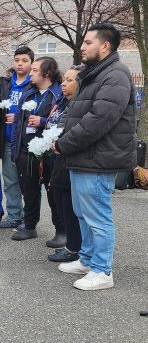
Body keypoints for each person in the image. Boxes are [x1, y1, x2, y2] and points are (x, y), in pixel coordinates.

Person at [54, 23, 136, 291]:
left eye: (88, 42)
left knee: (98, 216)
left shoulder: (116, 75)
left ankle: (103, 270)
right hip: (83, 157)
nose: (82, 46)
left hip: (98, 159)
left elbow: (99, 120)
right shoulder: (94, 73)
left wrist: (64, 143)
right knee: (82, 213)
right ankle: (87, 259)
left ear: (105, 46)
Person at [10, 57, 63, 242]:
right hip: (26, 152)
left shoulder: (59, 94)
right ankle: (29, 225)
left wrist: (43, 122)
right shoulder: (28, 93)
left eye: (34, 70)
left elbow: (64, 121)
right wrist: (15, 150)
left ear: (46, 73)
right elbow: (18, 122)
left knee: (54, 193)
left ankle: (61, 230)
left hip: (50, 154)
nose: (29, 73)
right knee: (29, 192)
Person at [0, 46, 33, 229]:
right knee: (10, 181)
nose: (20, 63)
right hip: (8, 140)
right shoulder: (6, 84)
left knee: (28, 182)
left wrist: (18, 118)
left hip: (27, 142)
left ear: (31, 63)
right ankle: (14, 217)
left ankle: (29, 218)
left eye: (24, 60)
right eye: (17, 60)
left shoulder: (34, 84)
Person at [47, 66, 82, 263]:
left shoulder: (77, 106)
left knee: (69, 207)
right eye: (64, 80)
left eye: (69, 80)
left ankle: (74, 248)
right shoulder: (62, 103)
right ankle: (72, 245)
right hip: (58, 159)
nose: (63, 83)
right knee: (60, 202)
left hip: (69, 159)